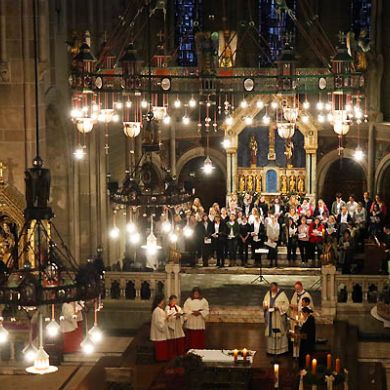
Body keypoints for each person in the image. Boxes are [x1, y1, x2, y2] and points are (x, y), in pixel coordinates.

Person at [263, 282, 289, 355]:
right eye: (271, 288)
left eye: (274, 288)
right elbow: (264, 302)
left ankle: (281, 350)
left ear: (277, 287)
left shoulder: (282, 294)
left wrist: (278, 308)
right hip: (270, 316)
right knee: (270, 332)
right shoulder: (268, 293)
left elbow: (286, 305)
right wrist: (265, 306)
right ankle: (270, 350)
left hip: (278, 317)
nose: (273, 290)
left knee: (279, 332)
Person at [166, 295, 186, 359]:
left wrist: (180, 315)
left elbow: (182, 313)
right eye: (173, 300)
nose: (174, 302)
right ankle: (173, 355)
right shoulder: (167, 308)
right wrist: (174, 316)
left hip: (178, 325)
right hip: (172, 327)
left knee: (180, 338)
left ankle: (180, 354)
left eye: (175, 300)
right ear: (170, 300)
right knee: (173, 341)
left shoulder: (178, 307)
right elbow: (167, 317)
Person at [150, 294, 169, 362]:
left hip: (160, 334)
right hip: (159, 335)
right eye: (163, 300)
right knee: (161, 350)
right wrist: (166, 319)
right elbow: (159, 323)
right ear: (160, 301)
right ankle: (161, 361)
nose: (164, 302)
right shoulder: (158, 311)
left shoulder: (158, 310)